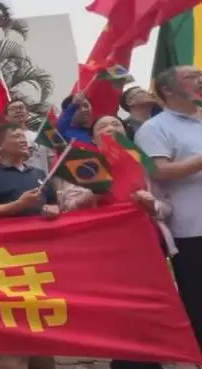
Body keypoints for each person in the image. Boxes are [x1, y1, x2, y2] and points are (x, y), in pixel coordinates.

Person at [60, 115, 168, 369]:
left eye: (115, 125)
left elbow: (167, 206)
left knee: (148, 309)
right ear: (94, 136)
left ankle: (152, 358)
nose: (109, 129)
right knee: (119, 310)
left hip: (145, 245)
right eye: (102, 126)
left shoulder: (144, 163)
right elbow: (68, 205)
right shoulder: (83, 163)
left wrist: (152, 204)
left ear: (126, 132)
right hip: (105, 248)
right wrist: (90, 195)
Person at [0, 123, 59, 369]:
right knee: (12, 333)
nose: (24, 139)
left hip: (41, 265)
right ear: (0, 145)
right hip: (8, 264)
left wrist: (53, 210)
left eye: (24, 136)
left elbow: (55, 206)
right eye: (16, 135)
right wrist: (19, 205)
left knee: (43, 337)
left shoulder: (39, 175)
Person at [135, 65, 202, 352]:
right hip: (192, 229)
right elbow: (159, 171)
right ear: (168, 89)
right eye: (192, 77)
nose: (200, 79)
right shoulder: (155, 128)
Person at [0, 100, 52, 172]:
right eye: (13, 109)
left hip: (42, 180)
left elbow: (52, 161)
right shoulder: (1, 138)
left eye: (21, 108)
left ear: (27, 113)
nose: (18, 111)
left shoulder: (41, 136)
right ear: (6, 117)